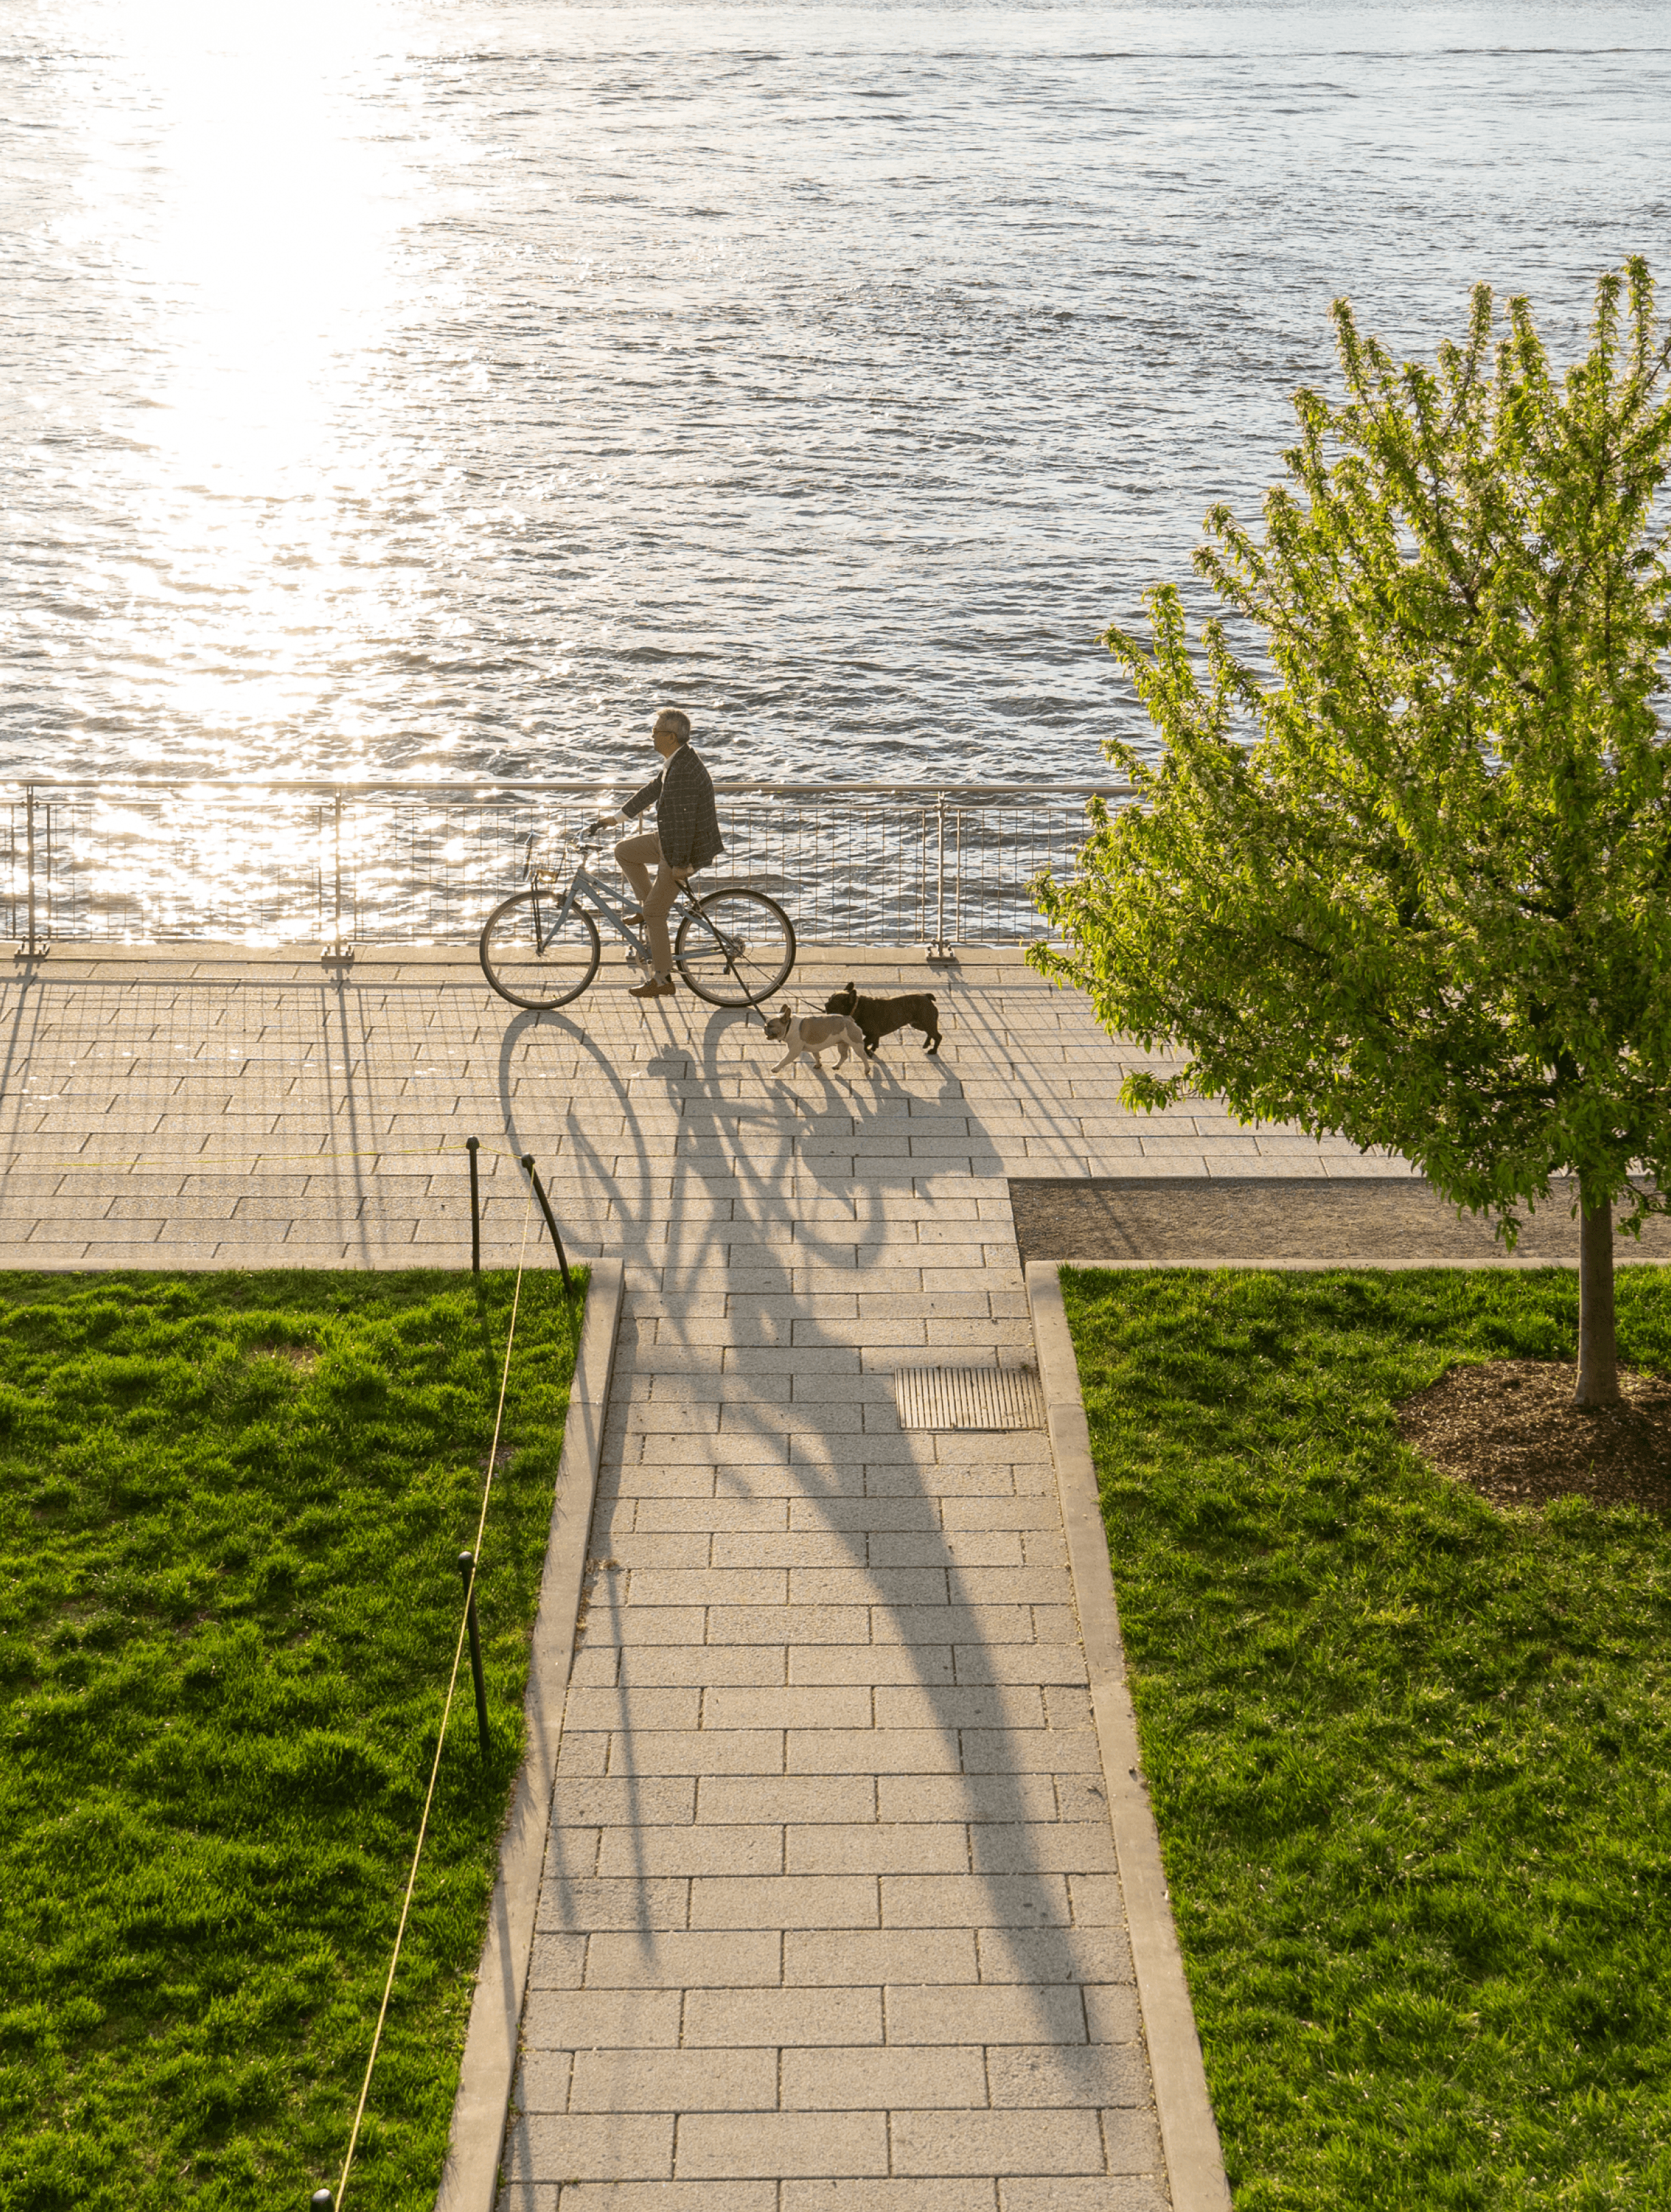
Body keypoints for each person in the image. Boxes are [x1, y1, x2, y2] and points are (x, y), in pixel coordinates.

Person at [602, 708, 724, 999]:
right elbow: (652, 790)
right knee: (624, 851)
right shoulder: (677, 760)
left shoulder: (683, 771)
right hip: (669, 839)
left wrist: (682, 866)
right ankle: (648, 910)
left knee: (656, 912)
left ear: (669, 737)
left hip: (682, 848)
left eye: (655, 730)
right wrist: (614, 819)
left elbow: (684, 826)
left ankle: (662, 979)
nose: (651, 735)